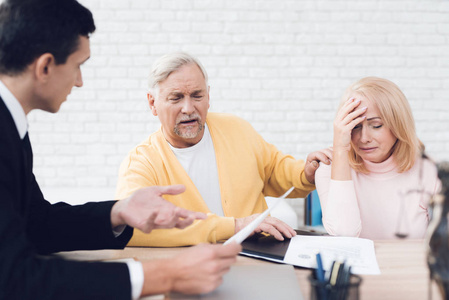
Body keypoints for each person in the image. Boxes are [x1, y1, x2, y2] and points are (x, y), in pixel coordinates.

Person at [0, 1, 241, 299]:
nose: (80, 82)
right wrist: (165, 274)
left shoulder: (11, 128)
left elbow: (36, 225)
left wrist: (119, 211)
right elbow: (13, 279)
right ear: (45, 66)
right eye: (78, 66)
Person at [115, 51, 331, 247]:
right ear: (153, 104)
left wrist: (306, 173)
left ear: (208, 97)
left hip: (256, 258)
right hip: (192, 267)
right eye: (176, 98)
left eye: (197, 96)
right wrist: (236, 226)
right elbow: (133, 226)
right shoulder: (141, 162)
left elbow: (275, 169)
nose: (189, 108)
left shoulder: (236, 128)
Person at [315, 77, 441, 239]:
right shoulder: (328, 165)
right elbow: (344, 233)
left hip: (411, 264)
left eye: (376, 125)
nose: (363, 138)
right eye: (355, 126)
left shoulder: (431, 171)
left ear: (398, 125)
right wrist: (341, 150)